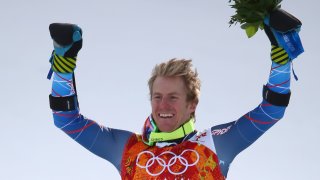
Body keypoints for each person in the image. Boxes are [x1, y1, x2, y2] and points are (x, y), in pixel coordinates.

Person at [47, 8, 303, 179]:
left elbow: (271, 111)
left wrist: (281, 59)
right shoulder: (128, 149)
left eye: (173, 97)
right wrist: (64, 64)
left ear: (192, 104)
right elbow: (66, 120)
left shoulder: (213, 145)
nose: (163, 104)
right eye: (157, 96)